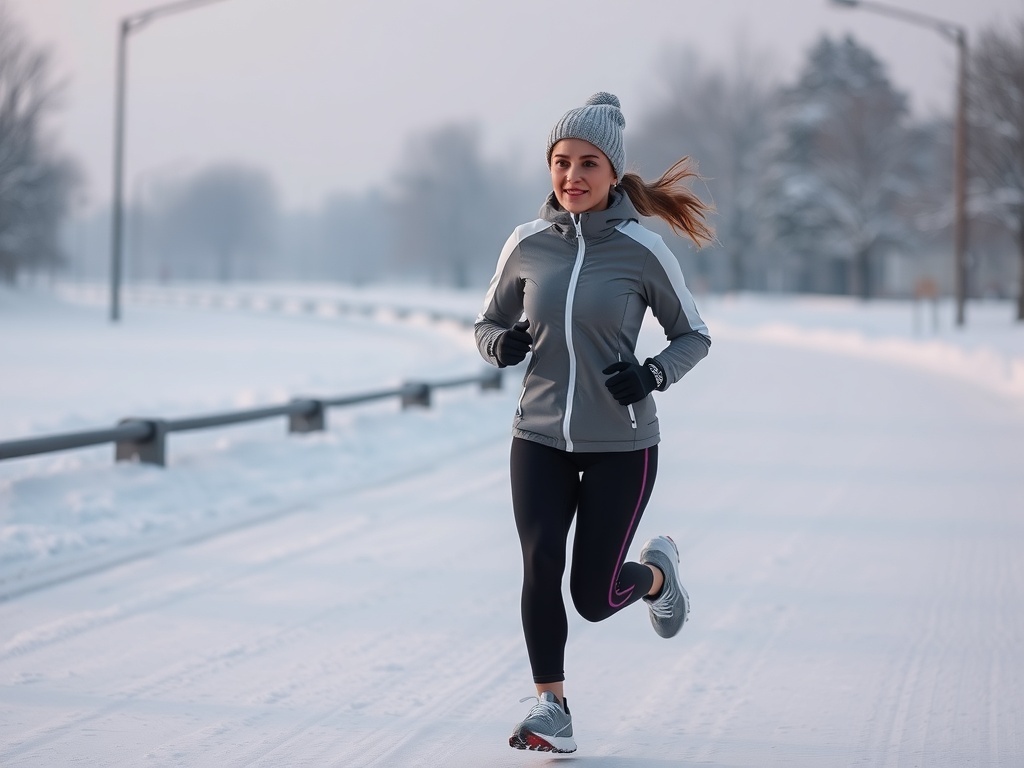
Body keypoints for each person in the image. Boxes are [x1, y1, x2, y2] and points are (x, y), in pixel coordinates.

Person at [473, 91, 714, 753]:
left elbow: (693, 334)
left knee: (594, 594)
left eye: (587, 163)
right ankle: (553, 707)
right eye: (560, 161)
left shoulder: (641, 250)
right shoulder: (526, 244)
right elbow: (487, 323)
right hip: (540, 436)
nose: (571, 176)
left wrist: (653, 373)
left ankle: (658, 577)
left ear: (613, 174)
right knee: (538, 560)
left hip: (622, 443)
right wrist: (502, 346)